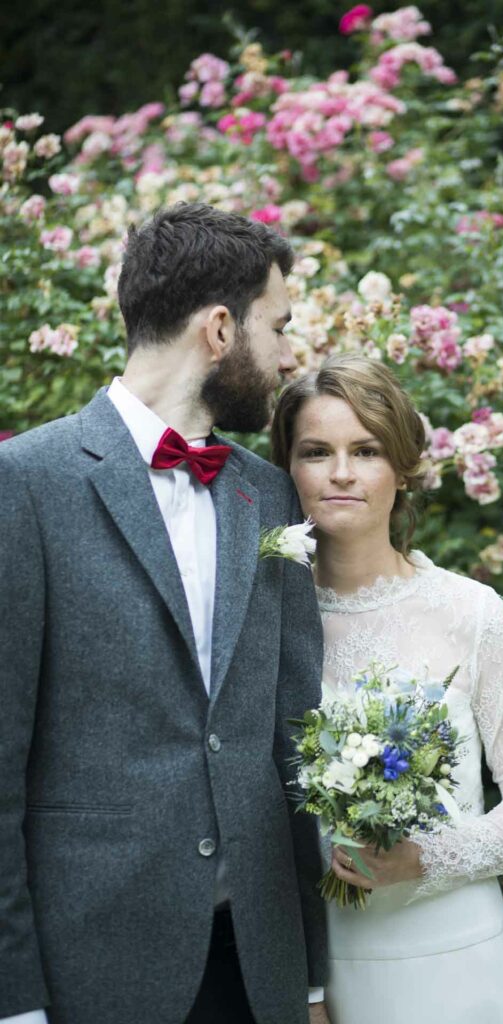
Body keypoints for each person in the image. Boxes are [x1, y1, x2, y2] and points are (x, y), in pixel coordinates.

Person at [0, 203, 330, 1024]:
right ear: (220, 329)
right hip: (93, 969)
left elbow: (295, 731)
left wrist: (314, 974)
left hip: (258, 963)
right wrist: (14, 1004)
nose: (289, 355)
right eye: (278, 326)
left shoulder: (270, 494)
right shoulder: (25, 484)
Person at [271, 353, 503, 1024]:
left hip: (451, 957)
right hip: (314, 970)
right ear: (287, 467)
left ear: (402, 467)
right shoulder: (260, 623)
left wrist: (422, 858)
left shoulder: (470, 613)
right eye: (316, 452)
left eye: (367, 450)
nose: (341, 473)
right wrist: (305, 992)